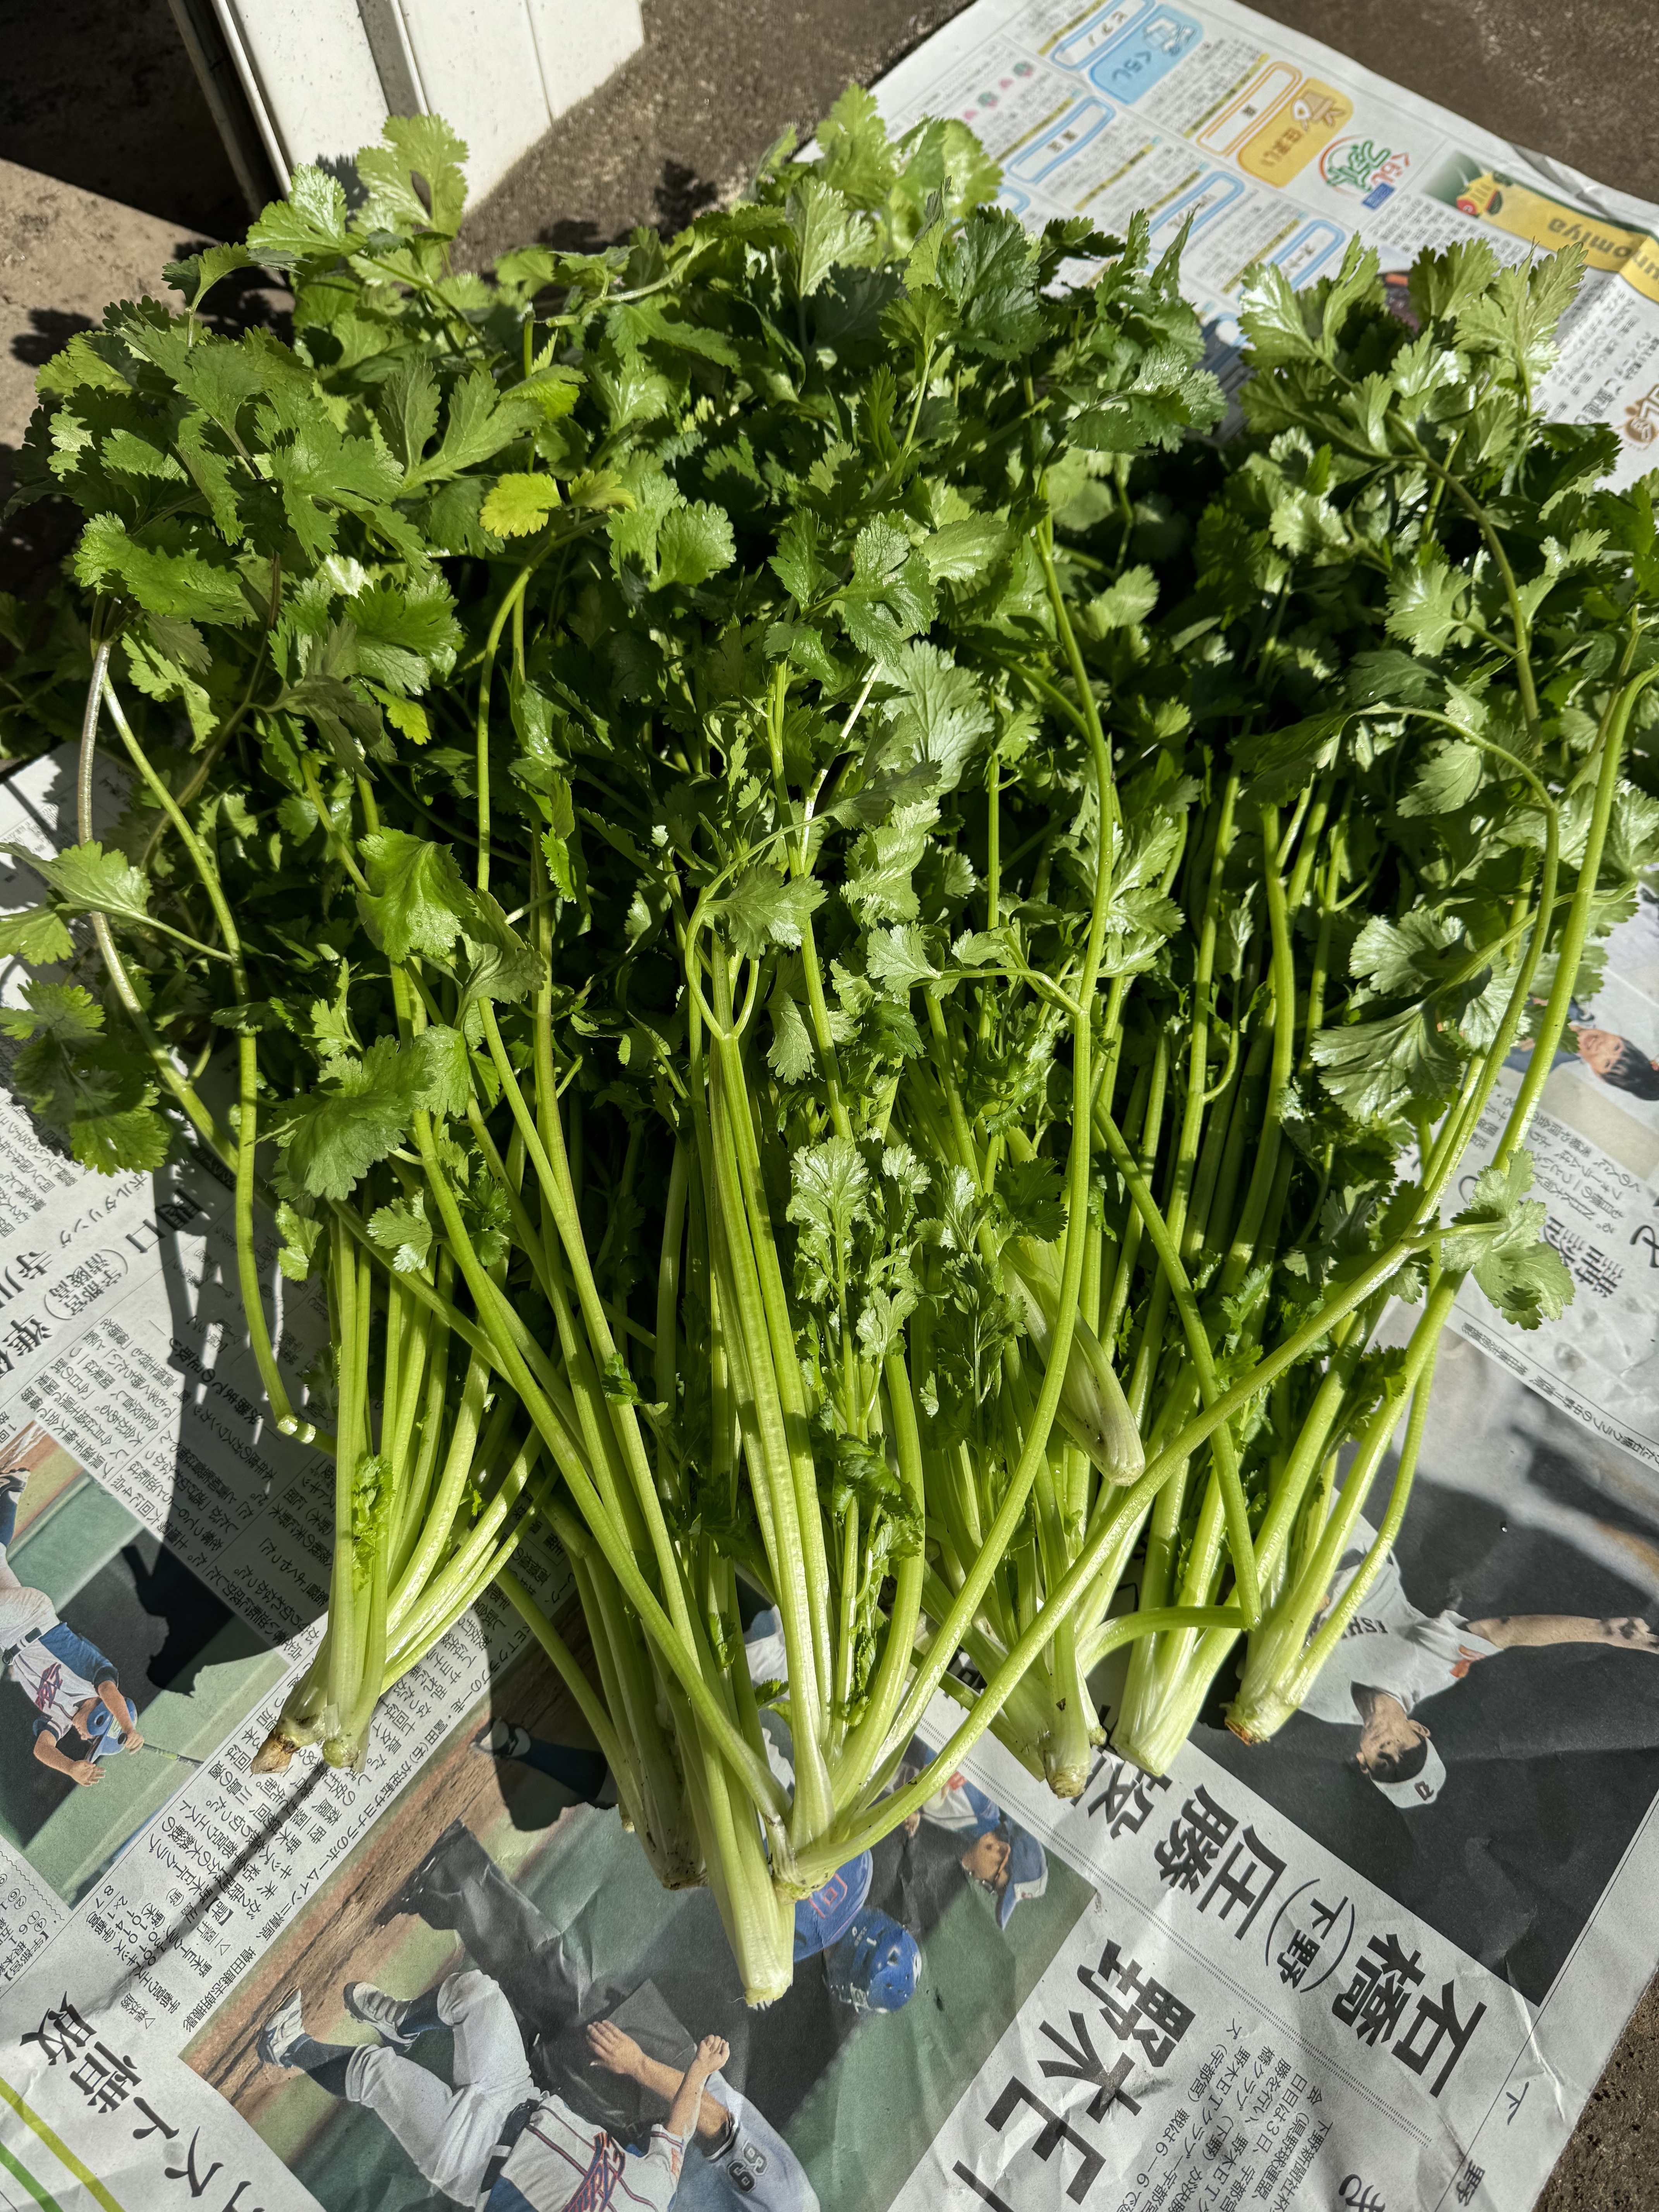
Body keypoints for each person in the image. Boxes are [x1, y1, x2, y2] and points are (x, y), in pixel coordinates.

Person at [258, 1966, 728, 2211]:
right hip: (515, 2091)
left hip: (471, 2157)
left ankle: (288, 2048)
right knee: (475, 1993)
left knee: (377, 2074)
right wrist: (701, 2069)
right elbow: (681, 2128)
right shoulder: (657, 2191)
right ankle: (404, 2023)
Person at [1297, 1515, 1659, 1805]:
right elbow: (1506, 1632)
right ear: (1421, 1730)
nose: (1386, 1746)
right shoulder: (1429, 1670)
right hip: (1335, 1537)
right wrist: (1601, 1632)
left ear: (1363, 1760)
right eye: (1404, 1751)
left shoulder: (1319, 1703)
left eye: (1382, 1762)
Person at [0, 1466, 141, 1786]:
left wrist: (69, 1767)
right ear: (102, 1718)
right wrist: (129, 1730)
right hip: (29, 1619)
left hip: (8, 1635)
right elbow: (109, 1692)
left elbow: (42, 1748)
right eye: (93, 1738)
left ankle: (12, 1486)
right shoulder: (99, 1682)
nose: (83, 1739)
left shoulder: (63, 1717)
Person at [587, 2018, 819, 2211]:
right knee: (578, 2000)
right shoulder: (792, 2205)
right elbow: (716, 2123)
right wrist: (638, 2065)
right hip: (670, 2083)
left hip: (641, 2148)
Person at [898, 1748, 1049, 1929]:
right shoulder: (978, 1802)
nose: (980, 1883)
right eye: (992, 1884)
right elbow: (934, 1743)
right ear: (999, 1849)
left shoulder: (965, 1833)